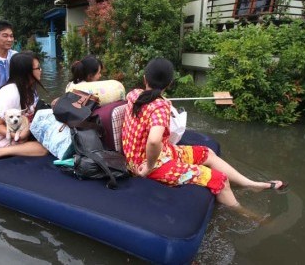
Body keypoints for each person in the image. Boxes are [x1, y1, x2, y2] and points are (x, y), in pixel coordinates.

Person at [122, 57, 288, 216]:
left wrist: (163, 101)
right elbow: (153, 140)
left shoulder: (133, 94)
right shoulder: (160, 108)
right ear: (170, 83)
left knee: (207, 153)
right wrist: (149, 166)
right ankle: (249, 215)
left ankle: (250, 184)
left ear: (145, 79)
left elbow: (151, 104)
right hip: (145, 165)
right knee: (221, 181)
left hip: (151, 154)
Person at [0, 52, 48, 164]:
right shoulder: (11, 93)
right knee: (43, 149)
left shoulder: (27, 89)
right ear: (27, 72)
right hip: (2, 139)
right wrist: (18, 136)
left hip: (18, 130)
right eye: (38, 68)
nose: (41, 70)